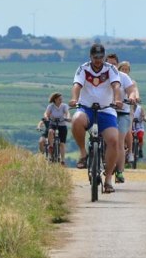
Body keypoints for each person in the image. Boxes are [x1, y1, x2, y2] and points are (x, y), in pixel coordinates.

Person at [69, 43, 125, 193]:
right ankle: (83, 153)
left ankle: (108, 180)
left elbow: (116, 86)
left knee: (113, 140)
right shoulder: (83, 68)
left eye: (101, 57)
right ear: (90, 57)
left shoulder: (111, 69)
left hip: (106, 110)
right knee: (76, 120)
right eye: (95, 57)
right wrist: (74, 99)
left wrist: (117, 100)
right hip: (86, 108)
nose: (98, 60)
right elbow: (77, 85)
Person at [106, 54, 139, 183]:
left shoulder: (123, 77)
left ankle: (119, 171)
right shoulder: (102, 77)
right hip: (107, 111)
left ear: (117, 65)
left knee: (119, 142)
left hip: (122, 112)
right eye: (108, 63)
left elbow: (132, 90)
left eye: (113, 64)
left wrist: (131, 97)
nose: (111, 66)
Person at [43, 92, 70, 163]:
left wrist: (67, 117)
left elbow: (67, 112)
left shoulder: (64, 106)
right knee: (50, 131)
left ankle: (63, 160)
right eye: (59, 99)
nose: (61, 100)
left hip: (62, 125)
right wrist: (46, 117)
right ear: (55, 100)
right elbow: (46, 113)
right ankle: (51, 146)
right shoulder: (51, 106)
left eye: (61, 99)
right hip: (53, 124)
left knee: (62, 144)